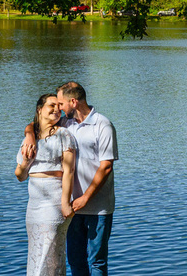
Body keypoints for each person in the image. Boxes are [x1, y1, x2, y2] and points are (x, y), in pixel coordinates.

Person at [22, 81, 119, 276]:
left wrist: (85, 198)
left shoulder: (103, 125)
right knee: (75, 261)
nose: (58, 108)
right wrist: (29, 135)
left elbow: (106, 166)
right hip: (72, 209)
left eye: (61, 103)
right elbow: (37, 122)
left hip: (97, 208)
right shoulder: (66, 123)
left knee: (97, 263)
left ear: (73, 101)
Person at [16, 93, 76, 276]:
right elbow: (19, 175)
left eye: (59, 106)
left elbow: (69, 171)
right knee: (35, 254)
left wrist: (65, 202)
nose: (57, 109)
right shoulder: (30, 137)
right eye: (52, 105)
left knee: (50, 256)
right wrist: (26, 163)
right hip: (33, 206)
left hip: (54, 203)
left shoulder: (64, 135)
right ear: (39, 109)